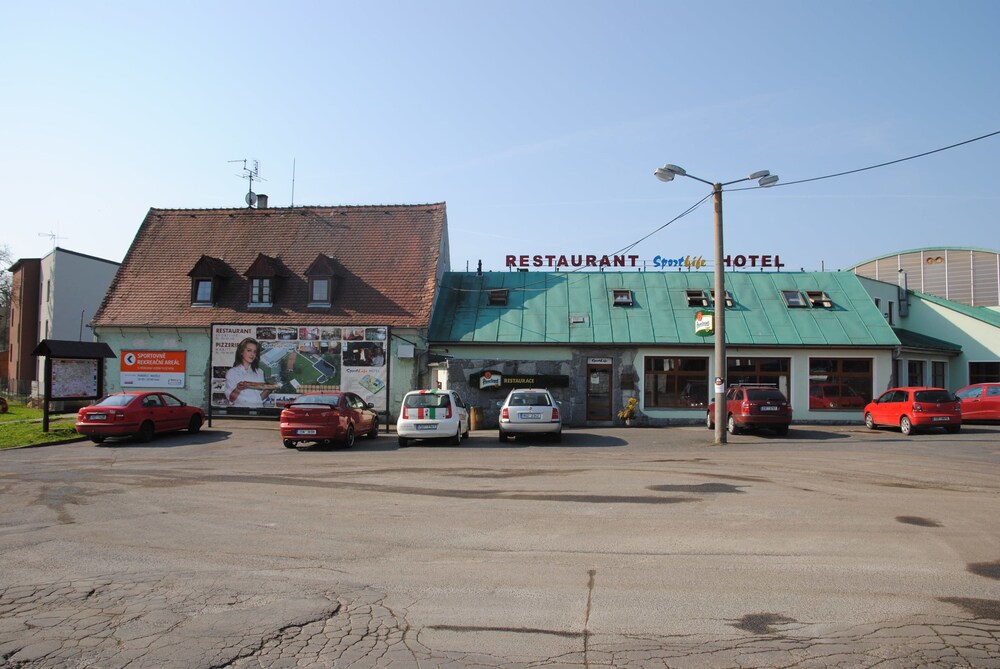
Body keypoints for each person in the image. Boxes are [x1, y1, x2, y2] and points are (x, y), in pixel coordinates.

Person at [224, 337, 272, 407]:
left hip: (256, 410)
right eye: (249, 350)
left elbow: (259, 398)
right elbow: (231, 399)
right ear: (241, 352)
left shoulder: (259, 372)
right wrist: (238, 389)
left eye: (254, 352)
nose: (252, 354)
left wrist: (268, 390)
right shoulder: (232, 372)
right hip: (240, 411)